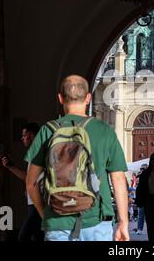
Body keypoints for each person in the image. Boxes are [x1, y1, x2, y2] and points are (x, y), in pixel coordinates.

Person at [25, 75, 129, 241]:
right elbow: (118, 180)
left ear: (60, 98)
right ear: (88, 98)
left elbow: (31, 184)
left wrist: (46, 214)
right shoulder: (104, 130)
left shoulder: (47, 131)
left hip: (58, 221)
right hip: (97, 221)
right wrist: (123, 222)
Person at [1, 122, 44, 241]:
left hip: (37, 202)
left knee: (23, 236)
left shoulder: (37, 152)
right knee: (38, 236)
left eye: (23, 135)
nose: (22, 138)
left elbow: (28, 178)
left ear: (30, 135)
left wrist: (11, 167)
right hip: (34, 202)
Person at [133, 164, 148, 235]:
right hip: (141, 199)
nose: (142, 170)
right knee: (140, 215)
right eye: (141, 168)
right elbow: (137, 183)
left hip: (149, 199)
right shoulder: (139, 176)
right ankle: (139, 229)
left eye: (143, 169)